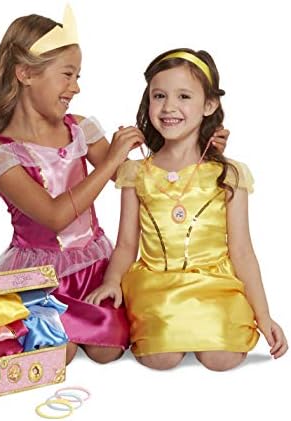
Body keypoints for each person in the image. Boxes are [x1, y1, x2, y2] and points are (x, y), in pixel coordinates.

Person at [0, 5, 228, 365]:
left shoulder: (79, 127)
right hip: (39, 278)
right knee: (60, 351)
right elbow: (54, 216)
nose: (76, 87)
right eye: (67, 75)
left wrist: (198, 148)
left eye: (77, 76)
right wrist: (111, 159)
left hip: (93, 265)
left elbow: (143, 181)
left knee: (107, 350)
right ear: (26, 74)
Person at [86, 48, 288, 371]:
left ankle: (209, 325)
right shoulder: (136, 173)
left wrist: (264, 316)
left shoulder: (228, 174)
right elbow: (126, 245)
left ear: (209, 105)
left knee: (222, 358)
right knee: (160, 358)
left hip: (214, 284)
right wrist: (111, 281)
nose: (169, 107)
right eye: (159, 96)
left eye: (183, 96)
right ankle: (172, 328)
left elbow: (242, 251)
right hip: (157, 285)